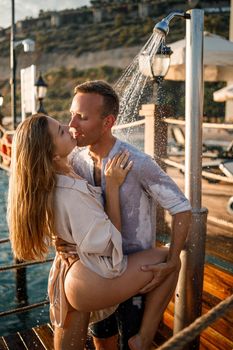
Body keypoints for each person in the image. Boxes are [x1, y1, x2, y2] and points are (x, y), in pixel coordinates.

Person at [8, 114, 191, 350]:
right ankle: (143, 339)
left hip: (70, 270)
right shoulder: (72, 192)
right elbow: (110, 242)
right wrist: (112, 187)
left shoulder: (50, 179)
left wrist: (62, 239)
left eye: (74, 119)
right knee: (169, 259)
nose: (70, 126)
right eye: (62, 131)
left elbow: (65, 221)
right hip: (91, 276)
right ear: (52, 155)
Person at [66, 80, 192, 350]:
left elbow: (181, 208)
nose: (72, 124)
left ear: (107, 121)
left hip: (135, 273)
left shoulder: (138, 162)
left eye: (82, 117)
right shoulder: (76, 160)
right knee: (102, 341)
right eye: (72, 115)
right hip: (98, 269)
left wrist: (172, 261)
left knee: (133, 345)